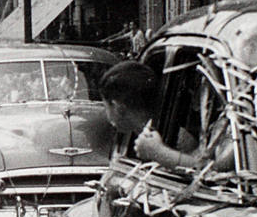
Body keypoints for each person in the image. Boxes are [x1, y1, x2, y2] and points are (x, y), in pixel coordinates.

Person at [99, 60, 233, 171]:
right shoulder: (139, 135)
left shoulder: (179, 139)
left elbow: (206, 173)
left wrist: (160, 153)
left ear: (118, 107)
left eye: (106, 106)